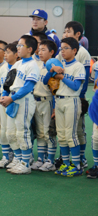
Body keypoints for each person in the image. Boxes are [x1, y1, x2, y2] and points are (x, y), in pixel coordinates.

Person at [0, 35, 40, 175]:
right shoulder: (18, 64)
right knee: (10, 133)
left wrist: (11, 98)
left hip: (24, 100)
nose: (18, 48)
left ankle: (25, 163)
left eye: (21, 45)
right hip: (12, 97)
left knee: (22, 132)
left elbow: (28, 87)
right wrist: (5, 96)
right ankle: (18, 158)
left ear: (30, 49)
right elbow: (8, 83)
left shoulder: (32, 65)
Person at [57, 21, 91, 167]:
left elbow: (81, 81)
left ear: (78, 34)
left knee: (77, 131)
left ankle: (80, 160)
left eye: (68, 31)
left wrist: (81, 97)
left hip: (75, 97)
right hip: (61, 98)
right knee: (63, 132)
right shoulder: (62, 55)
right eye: (64, 31)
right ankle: (65, 160)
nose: (65, 34)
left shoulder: (83, 53)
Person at [51, 37, 86, 177]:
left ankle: (77, 165)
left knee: (71, 135)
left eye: (66, 48)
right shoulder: (60, 65)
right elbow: (50, 81)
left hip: (72, 101)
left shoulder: (78, 66)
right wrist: (52, 69)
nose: (62, 51)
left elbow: (75, 86)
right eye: (61, 48)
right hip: (59, 100)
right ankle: (66, 164)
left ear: (74, 50)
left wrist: (61, 76)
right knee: (61, 136)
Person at [32, 39, 58, 172]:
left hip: (47, 100)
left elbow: (55, 89)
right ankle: (41, 159)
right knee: (40, 132)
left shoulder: (54, 67)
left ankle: (51, 160)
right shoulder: (37, 65)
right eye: (39, 49)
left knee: (49, 132)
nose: (40, 52)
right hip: (36, 101)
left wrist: (54, 107)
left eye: (44, 50)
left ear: (52, 52)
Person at [0, 43, 19, 169]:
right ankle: (5, 156)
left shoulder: (20, 67)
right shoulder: (3, 68)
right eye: (5, 52)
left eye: (8, 52)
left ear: (16, 54)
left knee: (13, 130)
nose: (5, 55)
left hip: (14, 102)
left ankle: (16, 156)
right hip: (2, 102)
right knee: (3, 130)